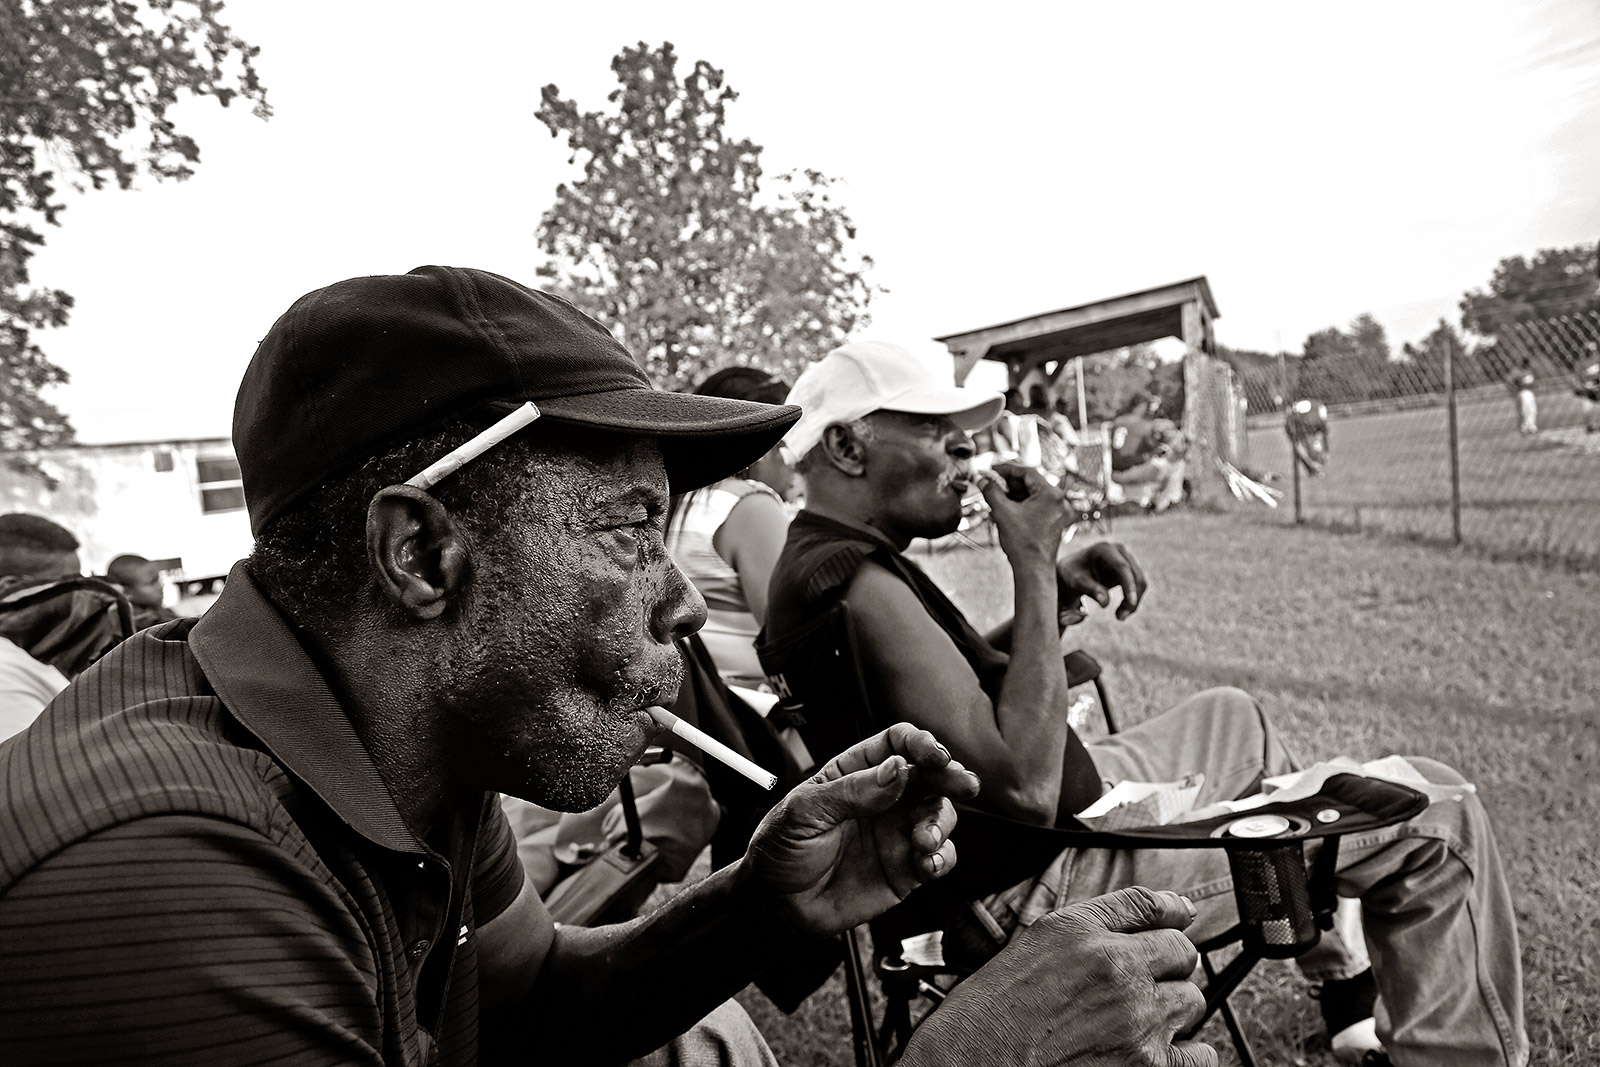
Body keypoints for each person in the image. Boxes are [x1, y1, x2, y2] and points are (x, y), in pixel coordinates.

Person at [0, 267, 1215, 1067]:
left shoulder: (400, 737)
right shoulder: (169, 883)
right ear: (420, 552)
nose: (682, 599)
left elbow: (525, 1004)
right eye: (630, 528)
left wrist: (752, 906)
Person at [758, 339, 1526, 1067]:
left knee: (1231, 715)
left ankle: (1323, 945)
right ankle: (1337, 944)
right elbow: (1024, 789)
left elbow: (942, 687)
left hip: (1006, 854)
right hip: (1035, 887)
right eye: (933, 428)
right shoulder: (861, 584)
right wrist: (1031, 565)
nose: (965, 448)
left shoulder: (820, 561)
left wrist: (1046, 597)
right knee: (1440, 813)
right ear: (847, 447)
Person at [0, 514, 80, 738]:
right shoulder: (4, 675)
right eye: (69, 585)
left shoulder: (29, 650)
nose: (79, 597)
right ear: (12, 587)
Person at [104, 552, 181, 629]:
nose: (160, 586)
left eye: (158, 579)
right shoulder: (144, 623)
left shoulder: (157, 610)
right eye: (152, 583)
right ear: (125, 592)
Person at [1508, 358, 1537, 435]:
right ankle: (1524, 428)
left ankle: (1531, 427)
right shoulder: (1516, 372)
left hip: (1530, 392)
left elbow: (1534, 382)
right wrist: (1518, 386)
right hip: (1522, 392)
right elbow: (1510, 382)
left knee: (1532, 410)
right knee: (1524, 410)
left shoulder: (1529, 371)